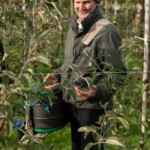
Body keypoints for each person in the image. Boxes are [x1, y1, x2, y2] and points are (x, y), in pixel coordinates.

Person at [44, 0, 126, 149]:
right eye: (77, 2)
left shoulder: (106, 32)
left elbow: (117, 74)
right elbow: (71, 63)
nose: (80, 7)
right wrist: (58, 75)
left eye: (86, 2)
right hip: (73, 104)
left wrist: (97, 90)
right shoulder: (74, 26)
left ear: (96, 3)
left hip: (93, 108)